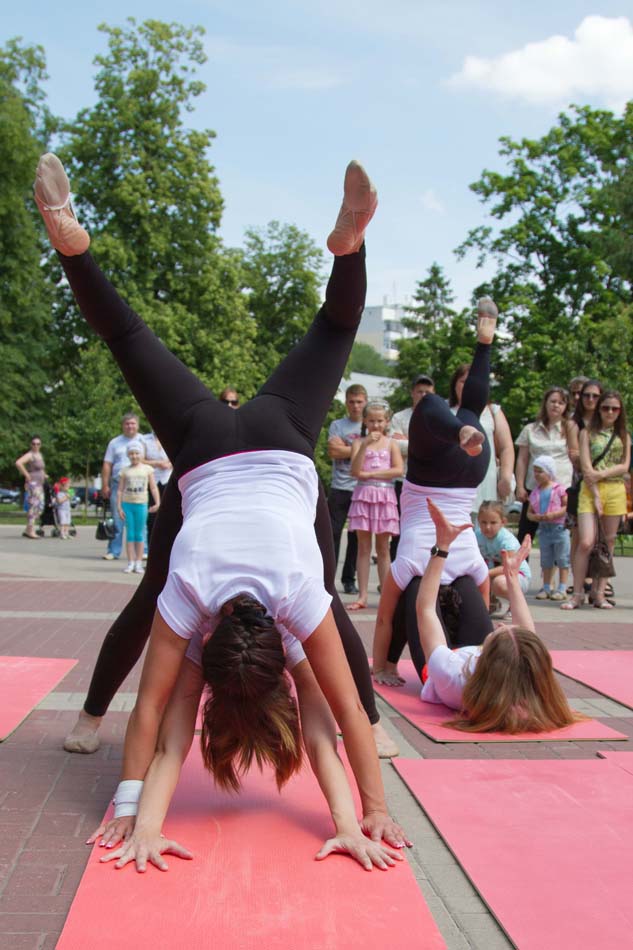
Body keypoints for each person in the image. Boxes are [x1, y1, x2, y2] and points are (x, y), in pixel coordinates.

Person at [36, 153, 408, 862]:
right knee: (128, 339)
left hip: (277, 440)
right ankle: (73, 248)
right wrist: (132, 812)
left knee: (332, 331)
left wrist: (373, 813)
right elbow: (156, 715)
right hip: (207, 450)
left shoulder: (294, 604)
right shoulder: (203, 600)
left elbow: (334, 725)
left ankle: (350, 246)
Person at [372, 299, 497, 676]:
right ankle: (484, 343)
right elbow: (386, 622)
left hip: (465, 468)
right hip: (454, 468)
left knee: (435, 405)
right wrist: (385, 666)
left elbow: (385, 622)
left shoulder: (469, 567)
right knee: (456, 409)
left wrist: (385, 669)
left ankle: (484, 347)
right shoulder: (411, 564)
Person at [413, 499, 584, 733]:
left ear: (486, 655)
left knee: (416, 587)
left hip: (437, 670)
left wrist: (441, 547)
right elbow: (528, 639)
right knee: (464, 583)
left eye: (501, 630)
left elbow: (425, 609)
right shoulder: (529, 677)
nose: (502, 624)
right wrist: (512, 577)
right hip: (488, 672)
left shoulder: (450, 674)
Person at [562, 390, 631, 610]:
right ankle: (577, 593)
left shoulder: (623, 435)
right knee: (586, 541)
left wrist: (601, 475)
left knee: (608, 543)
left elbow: (624, 465)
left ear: (620, 411)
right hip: (589, 490)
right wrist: (597, 494)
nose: (609, 412)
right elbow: (586, 466)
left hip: (615, 489)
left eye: (614, 408)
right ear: (599, 409)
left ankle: (599, 593)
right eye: (605, 407)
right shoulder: (587, 433)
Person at [346, 402, 402, 610]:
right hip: (363, 495)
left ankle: (388, 596)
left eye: (380, 420)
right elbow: (354, 470)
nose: (376, 425)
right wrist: (365, 445)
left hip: (384, 495)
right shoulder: (358, 442)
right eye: (371, 420)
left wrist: (370, 474)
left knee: (383, 549)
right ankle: (362, 596)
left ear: (387, 422)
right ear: (365, 421)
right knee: (363, 547)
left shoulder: (391, 443)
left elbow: (398, 470)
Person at [449, 363, 514, 515]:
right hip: (454, 484)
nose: (468, 386)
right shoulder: (446, 411)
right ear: (454, 384)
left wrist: (505, 477)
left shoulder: (493, 411)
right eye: (463, 381)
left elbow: (506, 447)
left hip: (486, 482)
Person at [515, 387, 573, 544]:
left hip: (561, 489)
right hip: (534, 488)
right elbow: (522, 459)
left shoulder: (570, 429)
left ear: (566, 406)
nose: (556, 405)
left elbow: (576, 456)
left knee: (560, 538)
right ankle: (520, 568)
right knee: (525, 534)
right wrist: (519, 486)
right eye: (553, 401)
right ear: (545, 403)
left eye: (561, 402)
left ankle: (557, 569)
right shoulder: (530, 429)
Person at [327, 383, 368, 594]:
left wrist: (349, 449)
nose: (355, 406)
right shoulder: (337, 425)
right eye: (351, 401)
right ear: (346, 403)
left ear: (365, 402)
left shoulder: (371, 426)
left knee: (356, 537)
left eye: (359, 402)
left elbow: (374, 455)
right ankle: (327, 579)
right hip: (339, 487)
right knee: (332, 533)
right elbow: (333, 451)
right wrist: (360, 448)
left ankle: (349, 579)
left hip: (362, 488)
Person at [389, 373, 435, 559]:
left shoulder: (439, 416)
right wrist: (424, 444)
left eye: (427, 392)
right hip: (404, 480)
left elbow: (439, 448)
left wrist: (408, 442)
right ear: (412, 393)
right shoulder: (400, 417)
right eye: (419, 391)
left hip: (430, 482)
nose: (423, 395)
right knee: (400, 528)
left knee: (426, 528)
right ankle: (396, 568)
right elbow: (393, 445)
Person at [101, 414, 147, 560]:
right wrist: (104, 485)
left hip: (139, 486)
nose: (130, 426)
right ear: (123, 425)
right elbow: (107, 464)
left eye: (133, 423)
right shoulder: (115, 443)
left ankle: (143, 550)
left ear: (138, 425)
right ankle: (113, 551)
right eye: (127, 424)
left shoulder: (144, 441)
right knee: (117, 518)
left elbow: (150, 461)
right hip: (118, 484)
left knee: (141, 520)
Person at [476, 499, 531, 620]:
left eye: (493, 522)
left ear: (503, 522)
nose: (488, 527)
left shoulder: (506, 539)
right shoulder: (477, 536)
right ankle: (492, 604)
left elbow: (509, 567)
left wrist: (486, 574)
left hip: (518, 576)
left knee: (499, 583)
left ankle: (517, 604)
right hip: (494, 573)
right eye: (483, 522)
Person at [526, 455, 570, 601]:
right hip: (544, 529)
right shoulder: (535, 492)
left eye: (540, 471)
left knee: (562, 558)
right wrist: (536, 517)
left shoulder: (559, 489)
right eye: (535, 471)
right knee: (546, 560)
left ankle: (562, 587)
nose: (536, 475)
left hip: (559, 528)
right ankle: (546, 586)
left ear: (549, 472)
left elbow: (566, 506)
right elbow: (529, 513)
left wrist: (554, 514)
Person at [117, 443, 160, 574]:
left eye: (137, 453)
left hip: (141, 504)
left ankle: (139, 563)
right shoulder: (125, 471)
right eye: (131, 453)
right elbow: (120, 490)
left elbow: (153, 487)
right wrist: (119, 507)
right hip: (128, 504)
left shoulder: (147, 469)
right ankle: (130, 562)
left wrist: (158, 502)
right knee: (130, 533)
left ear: (141, 454)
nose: (134, 456)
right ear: (128, 455)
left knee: (140, 533)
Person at [142, 432, 172, 542]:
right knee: (151, 516)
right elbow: (140, 459)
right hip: (151, 480)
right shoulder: (144, 439)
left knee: (167, 515)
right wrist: (157, 463)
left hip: (167, 479)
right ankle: (150, 544)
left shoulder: (171, 436)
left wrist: (170, 464)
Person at [15, 436, 47, 539]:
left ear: (41, 445)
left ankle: (28, 529)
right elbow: (18, 463)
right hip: (33, 484)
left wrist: (44, 475)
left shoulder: (39, 455)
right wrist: (27, 475)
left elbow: (41, 468)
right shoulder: (30, 455)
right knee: (34, 506)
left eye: (38, 444)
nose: (36, 446)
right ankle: (30, 531)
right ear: (31, 444)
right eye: (34, 443)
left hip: (40, 483)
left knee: (40, 506)